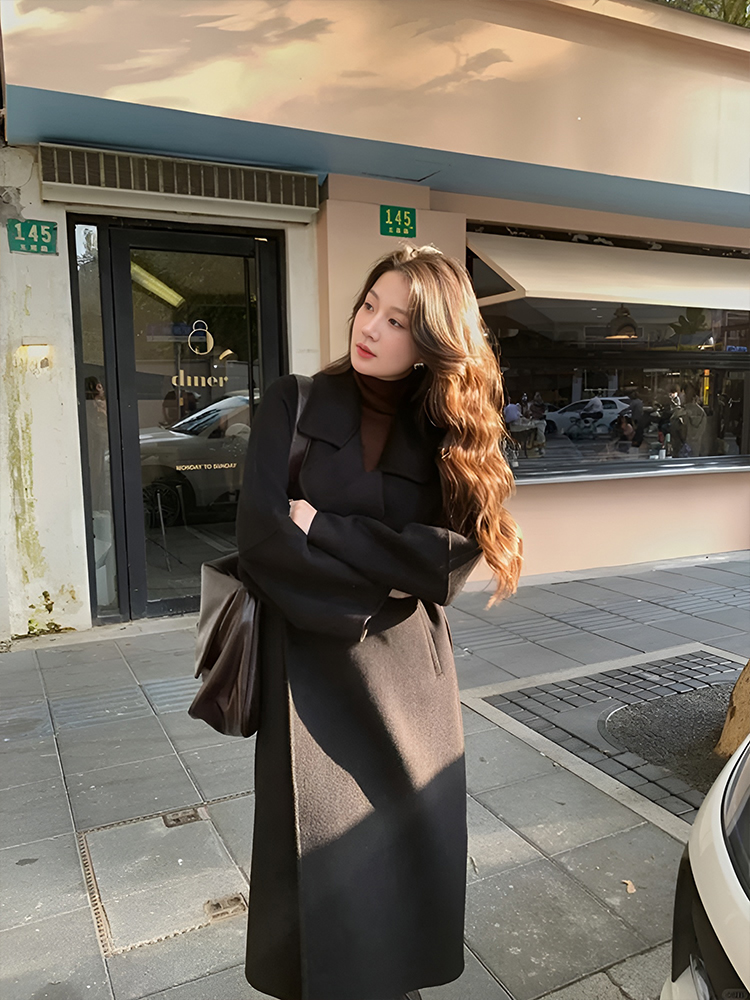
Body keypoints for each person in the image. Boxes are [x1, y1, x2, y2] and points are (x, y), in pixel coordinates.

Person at [236, 246, 522, 1000]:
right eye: (370, 306)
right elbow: (263, 542)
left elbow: (448, 562)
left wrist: (326, 528)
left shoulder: (449, 431)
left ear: (430, 341)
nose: (370, 328)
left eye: (398, 321)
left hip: (409, 687)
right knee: (319, 872)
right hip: (308, 676)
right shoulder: (293, 403)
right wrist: (385, 581)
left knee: (403, 862)